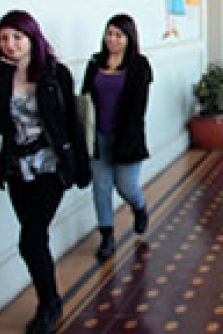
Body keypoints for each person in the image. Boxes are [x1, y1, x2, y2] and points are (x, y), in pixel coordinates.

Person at [0, 10, 91, 334]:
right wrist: (3, 79)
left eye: (18, 37)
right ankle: (50, 300)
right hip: (17, 169)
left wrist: (82, 167)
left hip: (49, 166)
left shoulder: (55, 74)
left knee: (29, 239)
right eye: (4, 38)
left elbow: (72, 122)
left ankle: (49, 304)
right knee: (36, 237)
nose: (11, 44)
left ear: (32, 38)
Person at [81, 14, 153, 261]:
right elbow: (85, 97)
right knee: (101, 188)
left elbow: (138, 108)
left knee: (126, 186)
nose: (112, 39)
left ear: (129, 38)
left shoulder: (139, 66)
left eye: (118, 35)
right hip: (98, 137)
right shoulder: (95, 62)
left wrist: (127, 140)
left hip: (127, 138)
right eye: (109, 33)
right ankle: (107, 237)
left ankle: (139, 207)